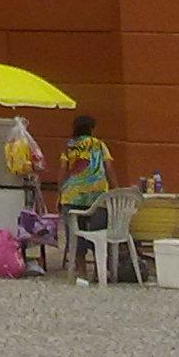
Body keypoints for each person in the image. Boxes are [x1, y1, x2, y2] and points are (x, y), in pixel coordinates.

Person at [57, 115, 114, 278]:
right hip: (97, 196)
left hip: (72, 195)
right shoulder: (100, 145)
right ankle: (99, 270)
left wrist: (60, 190)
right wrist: (115, 189)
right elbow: (108, 167)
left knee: (75, 233)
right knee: (100, 232)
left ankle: (81, 272)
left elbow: (63, 169)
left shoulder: (69, 146)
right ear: (92, 128)